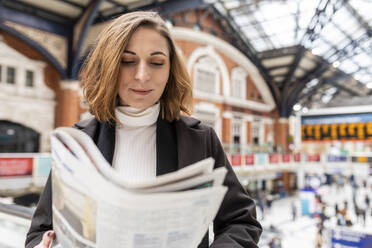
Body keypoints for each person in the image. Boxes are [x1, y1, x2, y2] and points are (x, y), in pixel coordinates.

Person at [25, 11, 262, 248]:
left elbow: (241, 221)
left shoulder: (199, 139)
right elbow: (40, 232)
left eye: (157, 63)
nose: (142, 76)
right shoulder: (78, 142)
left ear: (170, 70)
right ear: (108, 67)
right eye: (127, 61)